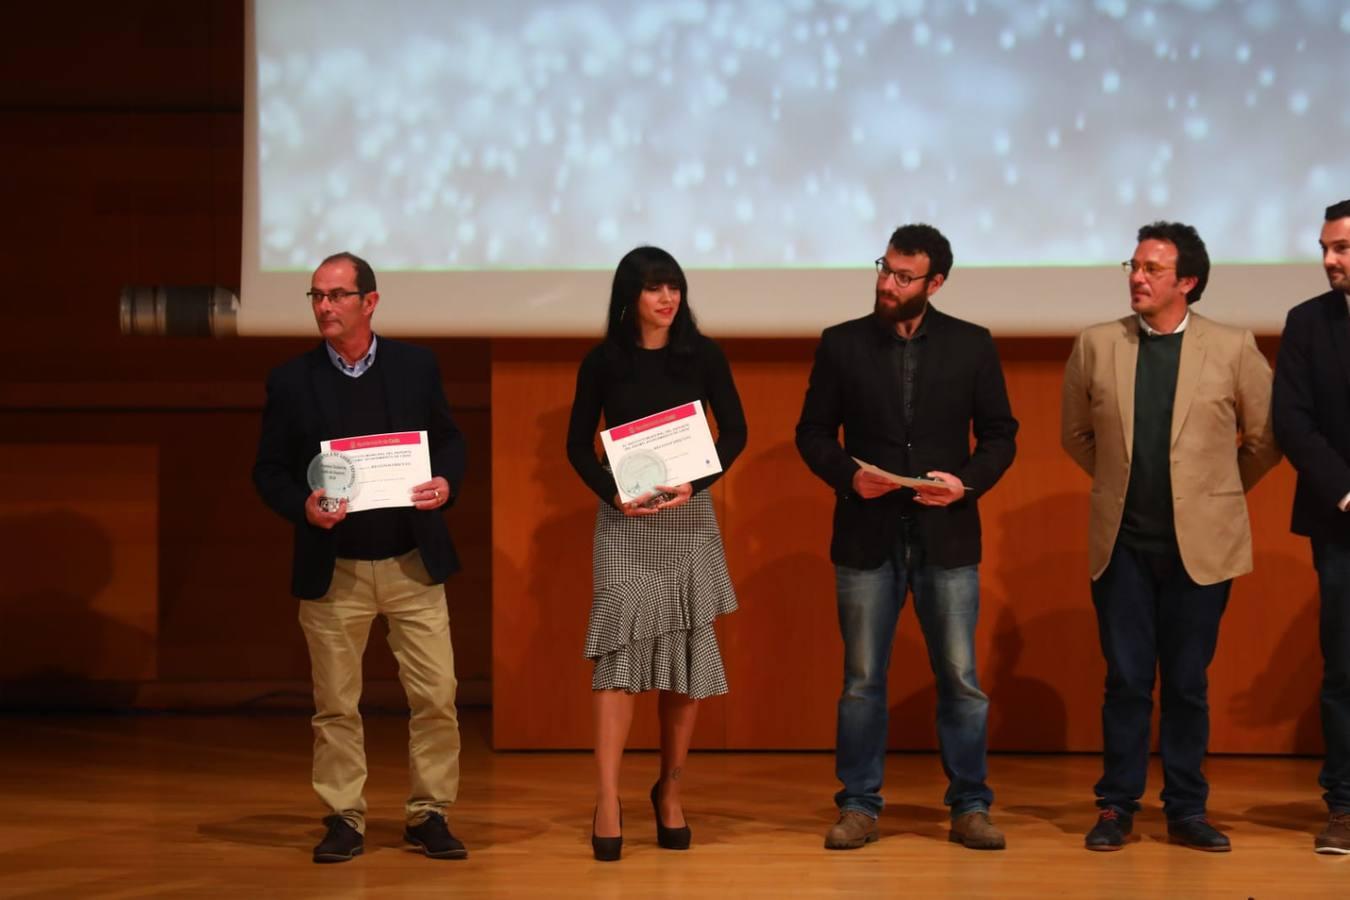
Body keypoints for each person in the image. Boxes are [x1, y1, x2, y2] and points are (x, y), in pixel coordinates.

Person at [795, 223, 1018, 852]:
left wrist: (966, 483)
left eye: (902, 276)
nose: (886, 283)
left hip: (946, 536)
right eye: (885, 269)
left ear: (935, 283)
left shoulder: (972, 345)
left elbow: (1001, 434)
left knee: (961, 678)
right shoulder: (841, 344)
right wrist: (848, 476)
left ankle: (970, 805)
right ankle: (860, 805)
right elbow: (812, 433)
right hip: (866, 535)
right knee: (862, 679)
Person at [1062, 221, 1280, 852]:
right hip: (1122, 544)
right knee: (1126, 681)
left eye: (1153, 269)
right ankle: (1115, 807)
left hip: (1201, 548)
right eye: (1133, 265)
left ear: (1187, 282)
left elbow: (1264, 441)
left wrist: (1211, 493)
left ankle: (1186, 807)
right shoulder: (1097, 344)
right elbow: (1077, 436)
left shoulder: (1233, 346)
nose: (1137, 277)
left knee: (1187, 682)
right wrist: (1122, 483)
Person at [252, 252, 469, 863]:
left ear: (369, 302)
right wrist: (304, 504)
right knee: (336, 705)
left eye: (337, 295)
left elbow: (449, 439)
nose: (324, 306)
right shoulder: (291, 381)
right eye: (317, 296)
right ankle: (344, 817)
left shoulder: (415, 366)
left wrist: (446, 482)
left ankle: (429, 813)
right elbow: (267, 470)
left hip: (411, 561)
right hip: (334, 567)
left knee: (437, 696)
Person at [565, 245, 747, 861]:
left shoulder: (704, 354)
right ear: (629, 297)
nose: (667, 298)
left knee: (688, 653)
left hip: (687, 514)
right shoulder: (603, 362)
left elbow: (738, 431)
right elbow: (575, 446)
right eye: (653, 288)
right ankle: (608, 797)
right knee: (619, 652)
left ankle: (670, 790)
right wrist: (612, 496)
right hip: (625, 522)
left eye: (673, 286)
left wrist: (696, 484)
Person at [1271, 198, 1350, 854]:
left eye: (1344, 248)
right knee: (1346, 668)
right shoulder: (1307, 323)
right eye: (1326, 247)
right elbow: (1292, 421)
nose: (1329, 260)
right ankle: (1346, 806)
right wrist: (1347, 492)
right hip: (1341, 520)